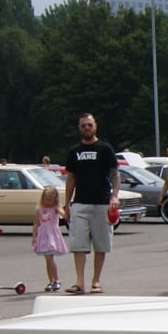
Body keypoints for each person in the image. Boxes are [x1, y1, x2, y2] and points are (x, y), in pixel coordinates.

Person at [64, 112, 120, 295]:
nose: (86, 128)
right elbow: (70, 178)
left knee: (101, 244)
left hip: (102, 202)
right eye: (83, 125)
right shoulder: (74, 151)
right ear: (79, 128)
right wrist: (67, 204)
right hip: (80, 203)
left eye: (89, 125)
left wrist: (114, 196)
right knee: (78, 244)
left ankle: (96, 281)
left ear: (95, 126)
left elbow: (114, 174)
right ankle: (79, 281)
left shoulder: (105, 149)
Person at [32, 184, 67, 291]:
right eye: (46, 199)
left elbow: (64, 215)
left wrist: (60, 208)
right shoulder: (40, 210)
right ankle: (51, 280)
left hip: (52, 235)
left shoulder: (55, 208)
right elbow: (36, 223)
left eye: (50, 200)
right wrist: (34, 236)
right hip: (43, 235)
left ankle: (56, 280)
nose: (47, 202)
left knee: (50, 258)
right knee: (47, 260)